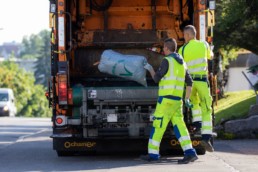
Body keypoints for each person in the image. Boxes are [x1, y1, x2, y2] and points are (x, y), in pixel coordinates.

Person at [141, 38, 198, 164]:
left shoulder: (166, 61)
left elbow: (156, 79)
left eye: (164, 48)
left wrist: (149, 68)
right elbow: (190, 82)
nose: (163, 50)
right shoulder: (182, 63)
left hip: (165, 100)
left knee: (158, 126)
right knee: (180, 127)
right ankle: (190, 152)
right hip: (177, 101)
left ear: (167, 48)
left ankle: (153, 154)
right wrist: (187, 98)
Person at [178, 25, 214, 152]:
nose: (183, 37)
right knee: (207, 107)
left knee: (194, 103)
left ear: (188, 35)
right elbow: (211, 56)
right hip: (202, 81)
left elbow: (180, 67)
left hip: (190, 83)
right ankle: (206, 137)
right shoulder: (204, 45)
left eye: (184, 35)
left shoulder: (182, 50)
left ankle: (197, 125)